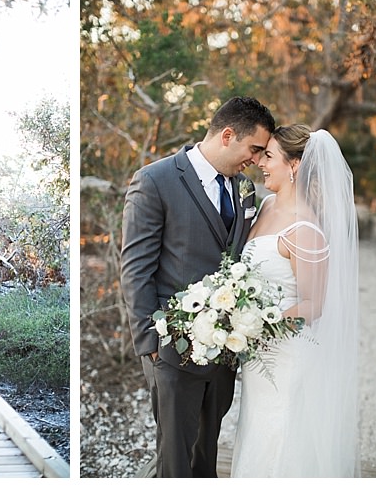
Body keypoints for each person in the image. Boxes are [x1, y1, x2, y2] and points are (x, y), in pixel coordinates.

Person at [120, 96, 276, 477]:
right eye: (254, 149)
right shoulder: (156, 180)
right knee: (175, 459)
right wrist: (151, 345)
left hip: (224, 351)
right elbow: (135, 269)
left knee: (206, 455)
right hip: (171, 350)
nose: (256, 160)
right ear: (227, 135)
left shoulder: (245, 191)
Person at [230, 125, 360, 477]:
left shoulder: (306, 230)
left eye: (268, 156)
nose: (260, 163)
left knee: (281, 435)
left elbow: (313, 305)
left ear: (295, 166)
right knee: (258, 430)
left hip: (285, 357)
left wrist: (258, 327)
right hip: (259, 358)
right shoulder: (267, 204)